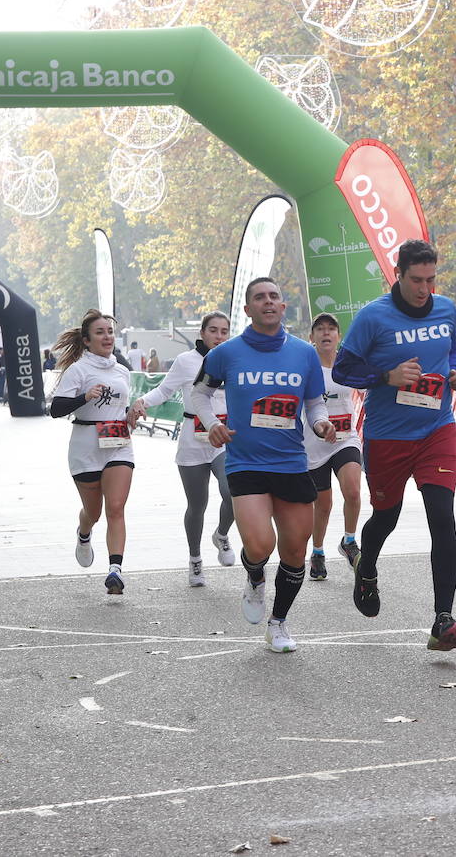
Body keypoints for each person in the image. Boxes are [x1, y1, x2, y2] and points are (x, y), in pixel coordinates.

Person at [333, 238, 456, 651]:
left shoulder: (446, 309)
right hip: (387, 435)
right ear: (397, 274)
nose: (424, 289)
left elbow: (455, 351)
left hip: (437, 429)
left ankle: (442, 619)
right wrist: (385, 377)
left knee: (442, 520)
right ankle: (367, 566)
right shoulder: (374, 317)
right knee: (386, 517)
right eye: (416, 280)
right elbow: (344, 369)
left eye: (431, 279)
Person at [203, 277, 335, 653]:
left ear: (283, 305)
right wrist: (213, 423)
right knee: (261, 545)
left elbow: (314, 402)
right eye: (259, 297)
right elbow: (199, 393)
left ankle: (278, 623)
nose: (268, 302)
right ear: (248, 309)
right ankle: (255, 576)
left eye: (274, 296)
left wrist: (320, 422)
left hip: (292, 461)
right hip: (245, 461)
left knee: (295, 550)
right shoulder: (226, 353)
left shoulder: (303, 353)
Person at [131, 312, 238, 588]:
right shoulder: (186, 361)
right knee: (197, 504)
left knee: (233, 492)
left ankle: (222, 535)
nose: (219, 336)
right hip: (193, 437)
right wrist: (142, 400)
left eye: (224, 331)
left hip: (224, 437)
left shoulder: (235, 359)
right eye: (213, 330)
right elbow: (164, 391)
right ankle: (195, 560)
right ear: (202, 333)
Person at [49, 309, 140, 594]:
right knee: (94, 512)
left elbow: (121, 405)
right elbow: (55, 410)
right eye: (100, 332)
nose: (107, 337)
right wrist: (83, 396)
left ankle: (116, 570)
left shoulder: (122, 370)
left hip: (118, 444)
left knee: (116, 508)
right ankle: (84, 532)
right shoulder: (78, 369)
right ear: (86, 341)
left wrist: (130, 416)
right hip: (85, 445)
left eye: (110, 332)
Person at [303, 312, 365, 580]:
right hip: (314, 445)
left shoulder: (349, 365)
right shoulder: (306, 368)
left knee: (352, 490)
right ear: (312, 337)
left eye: (331, 329)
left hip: (345, 439)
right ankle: (317, 552)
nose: (326, 333)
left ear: (338, 337)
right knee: (323, 505)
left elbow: (369, 385)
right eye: (320, 329)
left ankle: (349, 540)